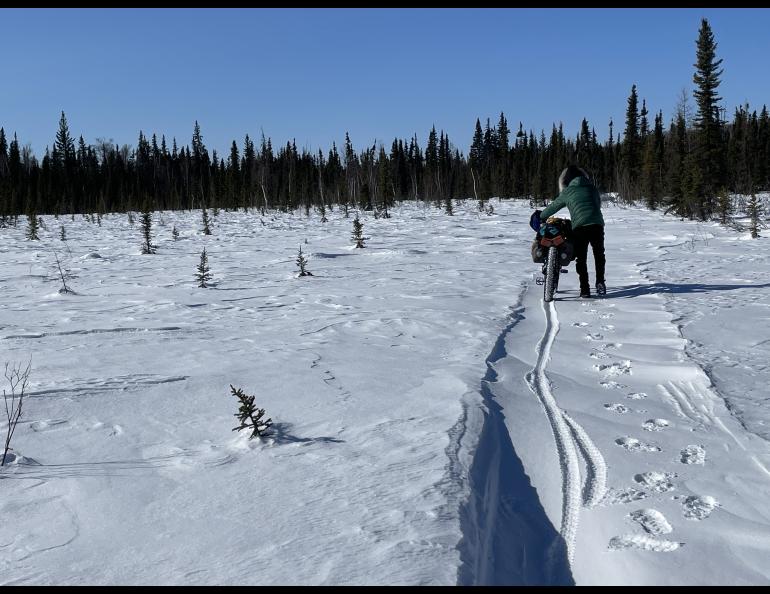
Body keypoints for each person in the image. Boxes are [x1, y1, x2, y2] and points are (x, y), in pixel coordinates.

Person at [529, 165, 605, 298]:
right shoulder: (592, 188)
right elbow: (597, 204)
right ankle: (600, 282)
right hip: (597, 224)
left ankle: (585, 290)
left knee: (581, 258)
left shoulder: (568, 191)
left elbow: (554, 207)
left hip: (580, 226)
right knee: (599, 254)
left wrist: (541, 216)